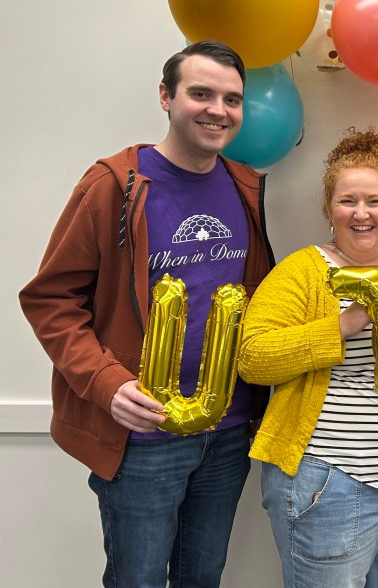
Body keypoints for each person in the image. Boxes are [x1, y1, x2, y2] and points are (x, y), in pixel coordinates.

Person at [19, 40, 274, 587]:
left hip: (227, 430)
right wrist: (105, 382)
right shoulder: (114, 186)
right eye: (201, 94)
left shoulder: (245, 186)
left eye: (232, 99)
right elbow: (51, 300)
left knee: (202, 578)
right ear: (165, 96)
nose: (218, 110)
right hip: (142, 437)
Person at [237, 127, 378, 588]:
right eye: (347, 201)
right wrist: (344, 323)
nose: (361, 213)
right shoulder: (302, 272)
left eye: (374, 201)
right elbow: (253, 357)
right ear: (329, 209)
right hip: (327, 483)